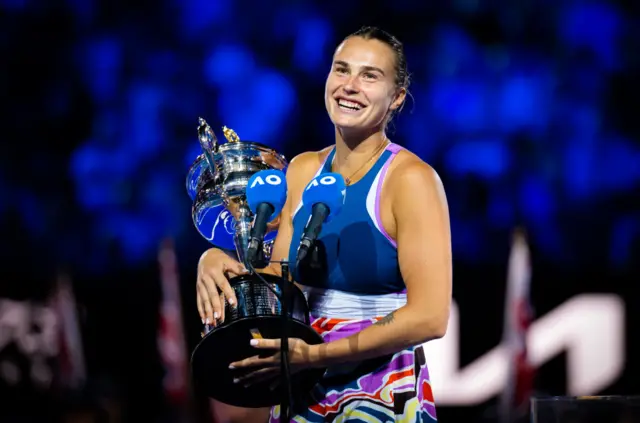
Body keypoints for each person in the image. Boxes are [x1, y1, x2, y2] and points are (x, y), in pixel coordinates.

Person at [196, 26, 452, 423]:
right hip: (300, 390)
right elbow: (283, 284)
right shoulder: (301, 169)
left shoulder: (411, 180)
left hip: (381, 395)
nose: (350, 86)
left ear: (397, 97)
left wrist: (315, 354)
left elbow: (430, 317)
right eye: (341, 70)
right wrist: (216, 260)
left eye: (370, 76)